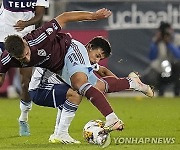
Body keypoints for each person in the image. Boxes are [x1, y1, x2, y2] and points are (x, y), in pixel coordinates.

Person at [0, 9, 154, 135]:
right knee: (98, 87)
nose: (27, 59)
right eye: (22, 59)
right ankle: (133, 83)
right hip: (61, 68)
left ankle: (111, 118)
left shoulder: (39, 37)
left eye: (27, 53)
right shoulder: (6, 59)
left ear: (25, 43)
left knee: (79, 84)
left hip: (69, 49)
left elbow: (65, 17)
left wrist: (93, 16)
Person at [0, 0, 49, 136]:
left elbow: (39, 15)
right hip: (2, 37)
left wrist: (26, 24)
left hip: (24, 39)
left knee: (26, 83)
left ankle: (23, 118)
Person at [148, 22, 180, 96]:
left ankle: (177, 91)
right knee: (151, 74)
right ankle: (160, 90)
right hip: (161, 68)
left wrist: (169, 43)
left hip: (174, 67)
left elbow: (178, 56)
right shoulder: (157, 40)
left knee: (179, 66)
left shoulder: (177, 38)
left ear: (171, 30)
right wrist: (155, 43)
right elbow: (152, 57)